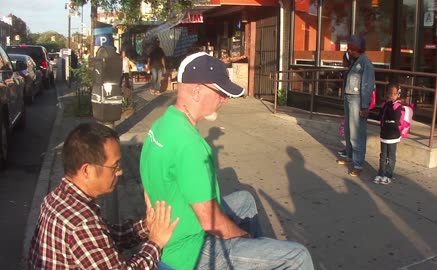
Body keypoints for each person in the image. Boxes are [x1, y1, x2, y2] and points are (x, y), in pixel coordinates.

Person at [140, 52, 314, 270]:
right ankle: (257, 253)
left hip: (173, 228)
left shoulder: (161, 125)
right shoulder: (191, 145)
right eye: (221, 92)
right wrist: (244, 237)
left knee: (245, 199)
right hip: (191, 250)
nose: (225, 99)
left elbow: (148, 186)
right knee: (297, 256)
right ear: (196, 90)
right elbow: (210, 222)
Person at [28, 122, 179, 269]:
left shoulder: (55, 198)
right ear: (87, 170)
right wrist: (156, 243)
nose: (120, 172)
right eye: (115, 166)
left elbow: (106, 236)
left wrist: (147, 226)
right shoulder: (82, 223)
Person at [336, 34, 375, 177]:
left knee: (357, 132)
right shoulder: (354, 61)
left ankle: (358, 163)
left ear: (355, 48)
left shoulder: (365, 63)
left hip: (357, 99)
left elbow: (367, 85)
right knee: (348, 129)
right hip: (349, 97)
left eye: (350, 48)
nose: (348, 50)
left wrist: (365, 106)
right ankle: (350, 156)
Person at [374, 83, 402, 185]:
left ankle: (388, 174)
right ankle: (381, 172)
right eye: (390, 93)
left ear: (398, 94)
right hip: (384, 134)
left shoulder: (398, 106)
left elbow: (393, 117)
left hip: (393, 135)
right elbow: (379, 117)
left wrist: (390, 104)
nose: (392, 95)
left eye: (394, 93)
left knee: (391, 156)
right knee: (383, 155)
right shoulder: (384, 105)